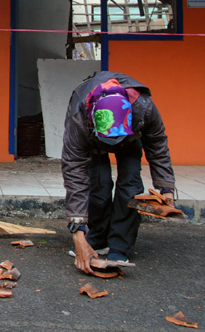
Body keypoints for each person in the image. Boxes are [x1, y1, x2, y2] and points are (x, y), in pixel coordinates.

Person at [61, 71, 175, 274]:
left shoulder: (144, 109)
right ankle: (97, 238)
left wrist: (166, 189)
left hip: (130, 137)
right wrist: (77, 231)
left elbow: (157, 146)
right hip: (93, 141)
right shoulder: (79, 118)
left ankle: (120, 245)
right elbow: (74, 173)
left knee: (130, 187)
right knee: (98, 184)